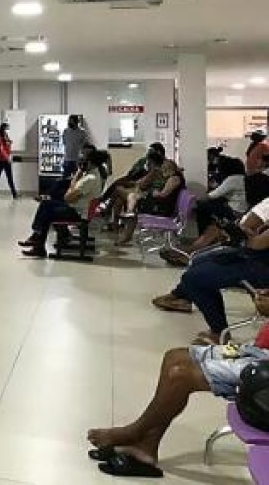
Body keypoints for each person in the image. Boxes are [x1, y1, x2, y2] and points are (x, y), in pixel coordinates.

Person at [85, 318, 269, 478]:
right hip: (259, 351)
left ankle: (132, 432)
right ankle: (146, 447)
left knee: (179, 375)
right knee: (174, 356)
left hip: (264, 371)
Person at [151, 196, 269, 343]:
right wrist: (247, 232)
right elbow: (249, 225)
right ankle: (182, 297)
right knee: (198, 261)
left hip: (262, 265)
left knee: (194, 277)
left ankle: (219, 332)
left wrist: (248, 233)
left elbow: (256, 244)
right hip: (253, 256)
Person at [20, 149, 104, 258]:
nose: (81, 163)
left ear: (90, 162)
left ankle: (38, 240)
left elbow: (68, 198)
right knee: (46, 204)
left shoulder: (90, 179)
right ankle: (38, 238)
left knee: (47, 212)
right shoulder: (92, 175)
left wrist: (77, 176)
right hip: (79, 209)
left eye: (84, 160)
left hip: (78, 213)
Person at [115, 147, 184, 246]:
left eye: (164, 168)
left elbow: (163, 194)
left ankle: (124, 229)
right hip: (159, 205)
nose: (162, 170)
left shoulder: (174, 179)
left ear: (169, 169)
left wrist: (155, 192)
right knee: (128, 199)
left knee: (128, 197)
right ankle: (125, 231)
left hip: (161, 208)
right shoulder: (174, 177)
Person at [188, 156, 248, 254]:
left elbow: (211, 196)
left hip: (234, 211)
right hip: (241, 210)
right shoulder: (242, 177)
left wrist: (197, 199)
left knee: (200, 206)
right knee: (207, 206)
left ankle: (202, 235)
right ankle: (206, 236)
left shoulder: (232, 179)